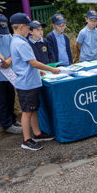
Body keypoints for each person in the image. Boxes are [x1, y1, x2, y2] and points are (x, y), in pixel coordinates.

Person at [9, 13, 61, 151]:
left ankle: (37, 133)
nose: (29, 29)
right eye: (27, 27)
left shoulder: (19, 41)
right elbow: (33, 62)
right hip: (26, 84)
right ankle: (27, 140)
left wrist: (38, 72)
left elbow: (23, 63)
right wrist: (52, 69)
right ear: (21, 27)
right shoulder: (20, 43)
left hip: (30, 81)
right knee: (27, 111)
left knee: (33, 109)